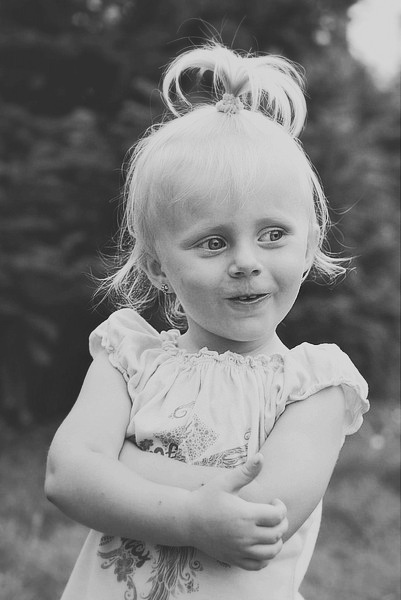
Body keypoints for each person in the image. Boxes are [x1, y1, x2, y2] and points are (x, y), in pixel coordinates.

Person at [45, 43, 369, 600]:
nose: (246, 261)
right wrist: (191, 516)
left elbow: (262, 514)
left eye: (273, 234)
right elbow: (66, 476)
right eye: (213, 242)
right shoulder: (131, 358)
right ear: (157, 266)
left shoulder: (314, 387)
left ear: (309, 245)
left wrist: (119, 463)